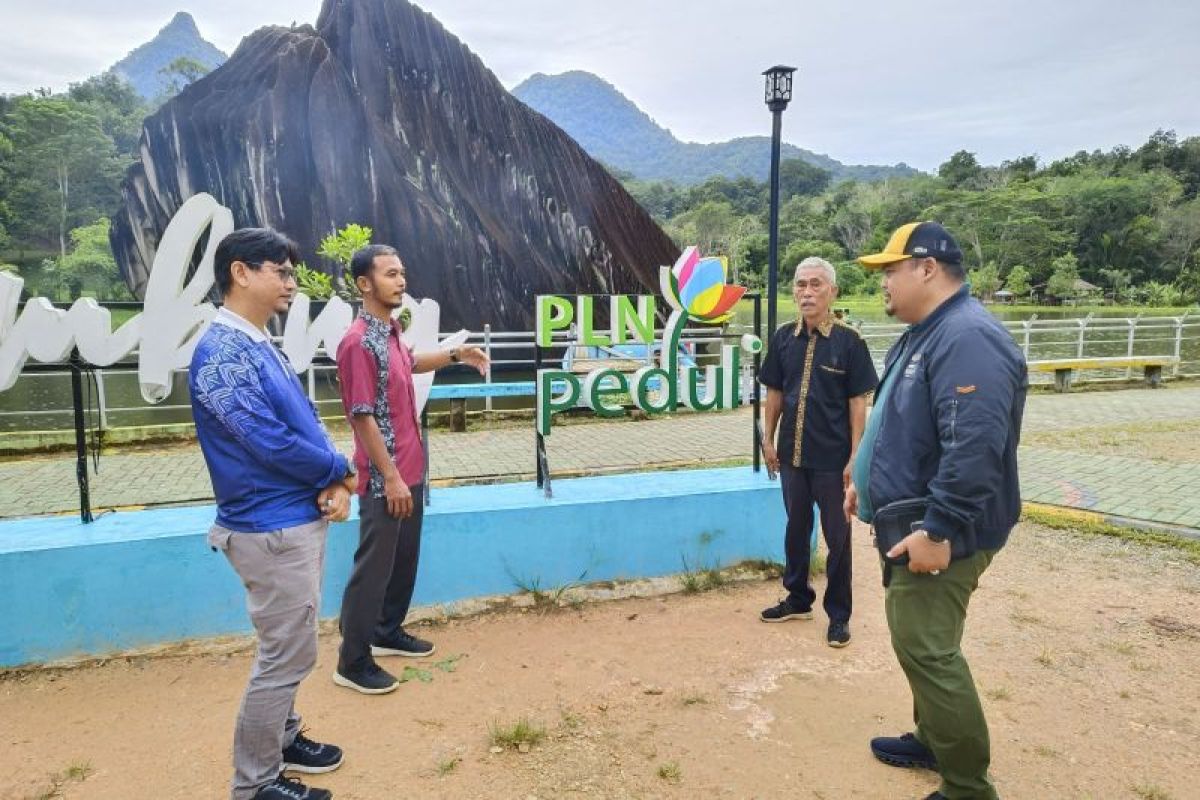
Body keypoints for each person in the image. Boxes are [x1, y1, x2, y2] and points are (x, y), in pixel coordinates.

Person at [846, 222, 1027, 800]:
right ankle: (933, 737)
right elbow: (902, 422)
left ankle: (968, 787)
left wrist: (939, 528)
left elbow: (974, 447)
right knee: (920, 640)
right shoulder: (928, 331)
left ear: (926, 268)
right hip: (909, 521)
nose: (883, 283)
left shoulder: (967, 338)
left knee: (926, 647)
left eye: (889, 271)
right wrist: (863, 477)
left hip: (937, 530)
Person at [190, 228, 355, 800]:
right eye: (280, 272)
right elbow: (268, 441)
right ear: (241, 272)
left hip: (289, 516)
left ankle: (283, 737)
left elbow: (299, 421)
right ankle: (255, 783)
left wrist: (331, 477)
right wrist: (339, 467)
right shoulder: (220, 355)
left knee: (291, 641)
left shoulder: (255, 342)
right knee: (286, 654)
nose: (290, 283)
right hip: (269, 526)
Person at [332, 244, 489, 695]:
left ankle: (386, 629)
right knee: (374, 566)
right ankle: (353, 660)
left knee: (403, 559)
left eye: (402, 273)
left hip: (411, 466)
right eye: (390, 274)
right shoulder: (358, 342)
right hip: (387, 475)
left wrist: (457, 354)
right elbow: (360, 415)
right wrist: (392, 475)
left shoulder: (390, 332)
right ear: (365, 284)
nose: (401, 281)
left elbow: (411, 363)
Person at [758, 256, 878, 647]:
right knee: (796, 529)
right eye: (800, 285)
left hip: (833, 461)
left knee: (838, 539)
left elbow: (857, 402)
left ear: (832, 291)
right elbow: (775, 391)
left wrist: (855, 456)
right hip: (791, 455)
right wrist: (767, 438)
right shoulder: (782, 338)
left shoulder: (849, 341)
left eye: (815, 285)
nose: (806, 292)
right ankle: (797, 597)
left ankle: (839, 615)